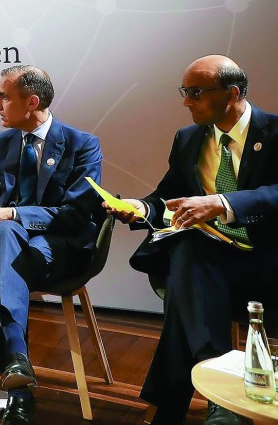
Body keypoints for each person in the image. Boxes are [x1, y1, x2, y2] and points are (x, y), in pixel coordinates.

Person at [106, 55, 278, 425]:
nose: (186, 102)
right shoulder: (189, 138)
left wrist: (222, 202)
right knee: (189, 244)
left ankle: (177, 408)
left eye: (196, 93)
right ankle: (221, 394)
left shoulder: (275, 132)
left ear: (232, 93)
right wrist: (139, 207)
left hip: (264, 261)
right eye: (184, 92)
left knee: (184, 297)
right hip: (210, 259)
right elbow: (168, 197)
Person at [0, 65, 103, 425]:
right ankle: (18, 369)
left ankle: (12, 388)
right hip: (7, 245)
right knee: (3, 238)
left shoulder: (82, 145)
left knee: (6, 241)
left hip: (56, 249)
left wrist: (12, 214)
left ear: (31, 102)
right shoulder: (2, 142)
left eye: (4, 96)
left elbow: (76, 214)